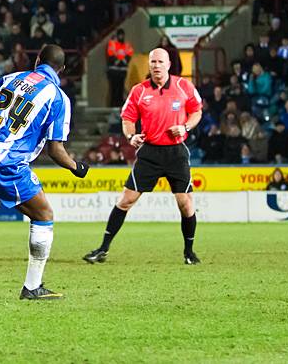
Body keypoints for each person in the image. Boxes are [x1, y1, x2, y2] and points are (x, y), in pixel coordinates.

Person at [0, 44, 89, 299]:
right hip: (6, 162)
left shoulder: (11, 78)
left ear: (37, 60)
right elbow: (55, 150)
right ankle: (32, 287)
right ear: (62, 69)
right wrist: (76, 167)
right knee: (43, 214)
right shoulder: (58, 97)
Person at [83, 48, 203, 265]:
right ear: (149, 65)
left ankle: (189, 252)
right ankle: (103, 249)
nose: (156, 66)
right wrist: (130, 135)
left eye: (160, 62)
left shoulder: (183, 86)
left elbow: (197, 111)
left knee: (185, 204)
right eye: (153, 62)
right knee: (126, 200)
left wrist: (185, 127)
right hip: (149, 152)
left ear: (168, 65)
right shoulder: (139, 90)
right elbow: (127, 118)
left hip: (176, 152)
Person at [106, 28, 133, 107]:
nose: (121, 37)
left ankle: (119, 105)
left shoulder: (127, 45)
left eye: (122, 35)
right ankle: (113, 105)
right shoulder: (112, 44)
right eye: (119, 35)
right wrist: (118, 60)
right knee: (114, 89)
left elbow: (129, 55)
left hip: (122, 71)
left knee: (121, 89)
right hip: (113, 70)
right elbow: (110, 56)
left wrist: (122, 60)